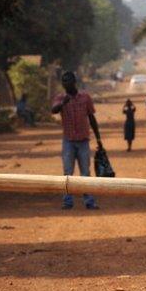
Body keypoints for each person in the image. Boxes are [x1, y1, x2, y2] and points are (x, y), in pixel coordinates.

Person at [52, 71, 103, 210]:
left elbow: (92, 118)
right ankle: (67, 201)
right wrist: (63, 103)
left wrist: (98, 138)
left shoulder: (85, 97)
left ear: (74, 82)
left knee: (85, 172)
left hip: (83, 140)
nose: (65, 84)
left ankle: (89, 201)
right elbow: (53, 110)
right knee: (67, 172)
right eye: (63, 81)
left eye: (68, 81)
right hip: (68, 140)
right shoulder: (60, 98)